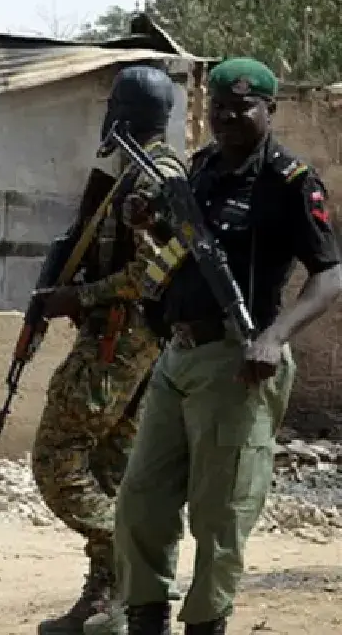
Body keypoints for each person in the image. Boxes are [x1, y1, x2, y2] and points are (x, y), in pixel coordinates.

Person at [106, 58, 342, 635]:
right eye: (219, 110)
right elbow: (182, 244)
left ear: (270, 110)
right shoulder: (203, 167)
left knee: (220, 515)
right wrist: (151, 219)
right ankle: (144, 617)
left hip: (239, 362)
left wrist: (274, 337)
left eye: (244, 109)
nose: (229, 119)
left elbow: (330, 275)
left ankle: (207, 622)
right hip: (178, 355)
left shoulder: (290, 181)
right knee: (140, 501)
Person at [27, 65, 184, 635]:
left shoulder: (150, 178)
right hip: (138, 342)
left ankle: (136, 562)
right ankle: (106, 604)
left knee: (56, 458)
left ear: (126, 111)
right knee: (108, 468)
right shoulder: (144, 170)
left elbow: (149, 273)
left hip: (122, 337)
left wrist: (76, 296)